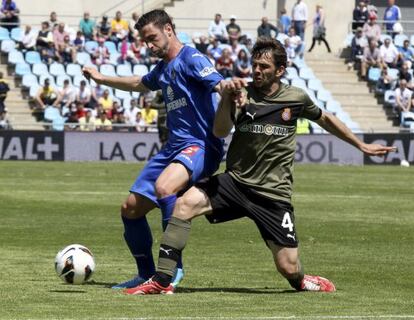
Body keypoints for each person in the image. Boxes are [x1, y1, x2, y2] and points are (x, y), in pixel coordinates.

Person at [124, 37, 397, 295]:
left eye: (264, 66)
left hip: (272, 194)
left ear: (280, 70)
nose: (257, 71)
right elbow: (219, 131)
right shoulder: (241, 95)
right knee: (183, 205)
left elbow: (324, 118)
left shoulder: (296, 98)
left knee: (288, 267)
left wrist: (361, 145)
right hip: (235, 183)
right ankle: (162, 280)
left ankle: (301, 280)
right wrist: (228, 102)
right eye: (254, 65)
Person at [82, 9, 227, 290]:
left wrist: (236, 98)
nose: (149, 45)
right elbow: (138, 83)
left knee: (164, 188)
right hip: (172, 149)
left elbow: (219, 84)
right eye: (145, 41)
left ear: (169, 30)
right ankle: (146, 272)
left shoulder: (192, 58)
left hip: (201, 146)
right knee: (130, 210)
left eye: (152, 38)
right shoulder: (163, 69)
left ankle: (171, 269)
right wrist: (101, 78)